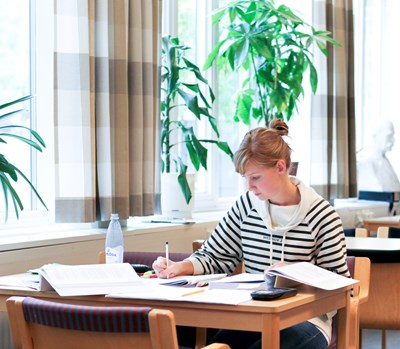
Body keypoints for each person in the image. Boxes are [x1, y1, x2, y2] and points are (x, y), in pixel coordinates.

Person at [153, 119, 350, 349]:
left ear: (280, 167)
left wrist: (297, 274)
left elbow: (339, 285)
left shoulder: (322, 215)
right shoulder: (246, 206)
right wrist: (180, 266)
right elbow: (216, 256)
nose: (249, 187)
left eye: (255, 177)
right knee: (215, 345)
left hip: (307, 320)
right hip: (254, 314)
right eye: (245, 179)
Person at [357, 120, 400, 192]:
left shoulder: (385, 161)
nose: (393, 140)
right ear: (375, 136)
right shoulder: (365, 164)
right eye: (389, 136)